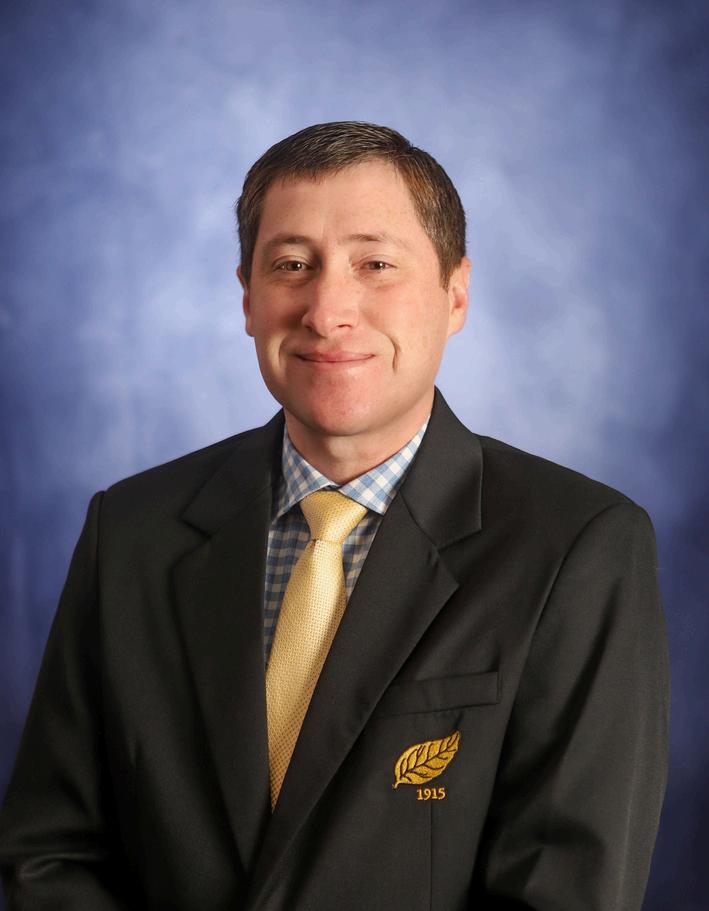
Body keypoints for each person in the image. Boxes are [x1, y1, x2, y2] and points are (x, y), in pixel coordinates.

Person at [0, 122, 669, 910]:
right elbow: (50, 852)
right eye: (291, 265)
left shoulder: (577, 547)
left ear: (455, 293)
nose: (326, 310)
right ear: (246, 296)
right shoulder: (130, 531)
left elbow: (565, 890)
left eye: (374, 264)